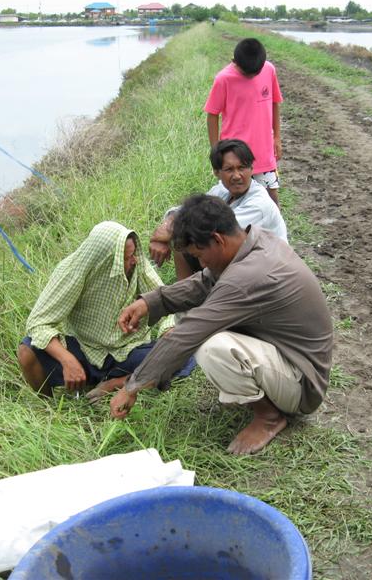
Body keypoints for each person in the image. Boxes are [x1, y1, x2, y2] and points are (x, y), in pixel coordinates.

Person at [109, 195, 333, 455]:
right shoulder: (254, 241)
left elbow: (190, 332)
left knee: (210, 345)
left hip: (304, 382)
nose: (201, 264)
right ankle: (263, 395)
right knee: (197, 324)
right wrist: (150, 302)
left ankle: (269, 417)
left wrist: (132, 386)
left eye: (199, 255)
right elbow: (203, 282)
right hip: (291, 356)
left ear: (217, 239)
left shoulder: (248, 277)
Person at [17, 221, 192, 400]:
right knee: (27, 352)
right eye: (127, 257)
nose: (135, 260)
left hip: (128, 352)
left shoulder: (137, 265)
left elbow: (167, 303)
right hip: (85, 351)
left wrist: (168, 334)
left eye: (133, 254)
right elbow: (38, 323)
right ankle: (48, 407)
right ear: (109, 260)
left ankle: (118, 383)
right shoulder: (72, 271)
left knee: (186, 353)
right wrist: (67, 360)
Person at [148, 139, 288, 280]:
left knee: (204, 243)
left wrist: (168, 232)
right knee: (183, 244)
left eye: (242, 168)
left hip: (270, 272)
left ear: (252, 169)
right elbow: (187, 211)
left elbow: (216, 232)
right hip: (247, 262)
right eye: (229, 169)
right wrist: (165, 230)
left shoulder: (259, 203)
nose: (237, 176)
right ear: (217, 172)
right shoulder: (222, 190)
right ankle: (185, 297)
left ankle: (198, 296)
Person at [204, 38, 284, 207]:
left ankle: (274, 234)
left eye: (256, 72)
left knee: (272, 203)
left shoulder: (269, 70)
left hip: (264, 154)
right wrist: (216, 153)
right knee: (234, 206)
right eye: (247, 73)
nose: (252, 76)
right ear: (235, 62)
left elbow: (275, 102)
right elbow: (212, 115)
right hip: (235, 158)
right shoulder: (223, 79)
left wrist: (277, 137)